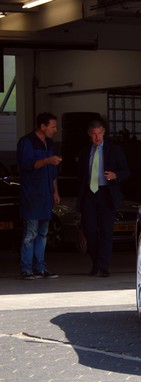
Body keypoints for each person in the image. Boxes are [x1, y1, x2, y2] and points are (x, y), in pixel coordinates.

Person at [77, 119, 130, 277]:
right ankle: (95, 262)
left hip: (107, 193)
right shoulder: (85, 152)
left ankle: (103, 265)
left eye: (99, 133)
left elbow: (126, 171)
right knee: (90, 231)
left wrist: (116, 175)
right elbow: (80, 176)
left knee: (106, 232)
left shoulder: (114, 150)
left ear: (104, 133)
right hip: (90, 194)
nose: (97, 137)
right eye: (94, 134)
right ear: (89, 134)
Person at [16, 112, 62, 280]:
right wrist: (48, 160)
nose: (55, 130)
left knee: (43, 233)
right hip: (32, 194)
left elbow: (53, 172)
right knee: (31, 233)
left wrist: (55, 191)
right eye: (53, 126)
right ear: (42, 126)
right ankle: (26, 268)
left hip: (46, 194)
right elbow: (27, 165)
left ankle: (40, 267)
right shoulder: (27, 142)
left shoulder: (49, 143)